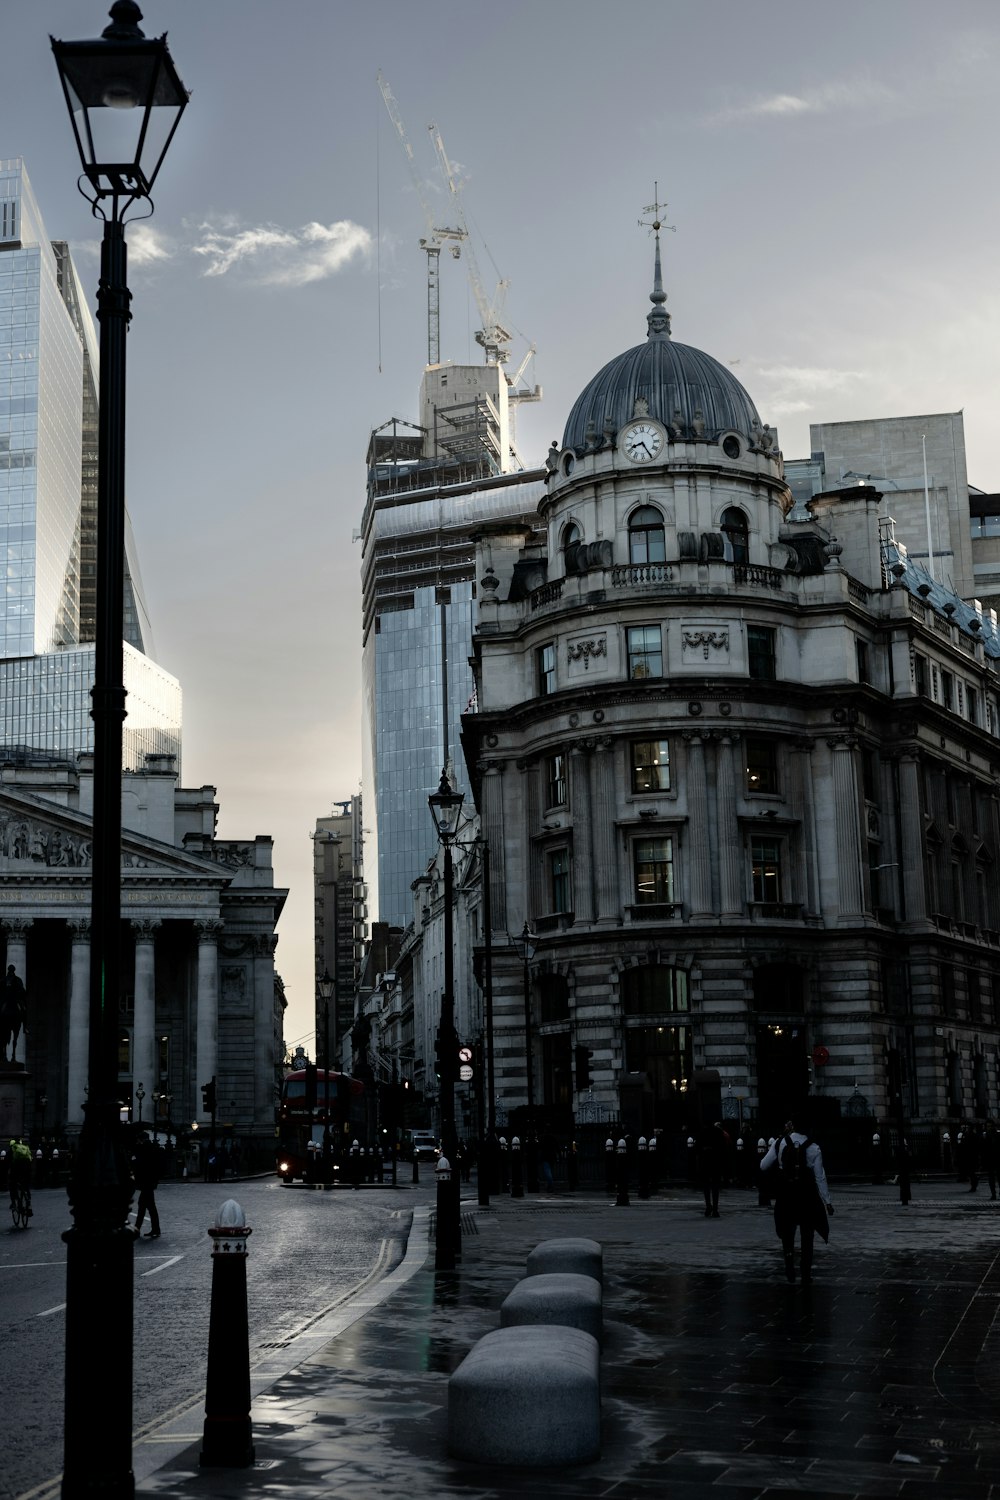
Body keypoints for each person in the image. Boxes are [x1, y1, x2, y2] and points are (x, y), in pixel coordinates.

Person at [760, 1118, 832, 1284]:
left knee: (787, 1232)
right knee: (807, 1234)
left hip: (787, 1194)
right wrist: (827, 1201)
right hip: (807, 1195)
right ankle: (806, 1272)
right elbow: (820, 1177)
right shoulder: (814, 1147)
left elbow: (763, 1165)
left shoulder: (780, 1143)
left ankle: (789, 1266)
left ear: (793, 1126)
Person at [132, 1132, 162, 1239]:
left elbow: (139, 1164)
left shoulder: (143, 1149)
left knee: (146, 1206)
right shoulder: (152, 1148)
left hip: (146, 1181)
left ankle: (138, 1229)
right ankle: (147, 1228)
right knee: (147, 1206)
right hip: (150, 1181)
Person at [698, 1121, 729, 1217]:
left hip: (705, 1161)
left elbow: (697, 1148)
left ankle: (708, 1207)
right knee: (715, 1186)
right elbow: (724, 1147)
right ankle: (715, 1209)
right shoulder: (718, 1132)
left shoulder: (702, 1132)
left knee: (706, 1186)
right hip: (716, 1161)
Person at [8, 1136, 33, 1216]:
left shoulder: (12, 1150)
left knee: (12, 1185)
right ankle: (29, 1205)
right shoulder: (25, 1148)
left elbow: (6, 1164)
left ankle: (14, 1204)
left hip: (16, 1171)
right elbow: (30, 1159)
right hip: (27, 1171)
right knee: (26, 1187)